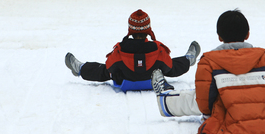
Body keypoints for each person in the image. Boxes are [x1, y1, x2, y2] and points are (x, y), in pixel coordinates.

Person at [151, 9, 265, 134]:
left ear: (219, 36)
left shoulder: (209, 62)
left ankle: (165, 97)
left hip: (228, 116)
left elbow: (205, 105)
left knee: (194, 98)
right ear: (248, 34)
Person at [65, 9, 200, 87]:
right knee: (172, 66)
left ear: (130, 30)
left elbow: (109, 65)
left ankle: (81, 68)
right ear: (148, 29)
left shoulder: (120, 50)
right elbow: (169, 66)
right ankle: (188, 59)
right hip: (151, 80)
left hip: (125, 81)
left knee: (103, 71)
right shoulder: (157, 49)